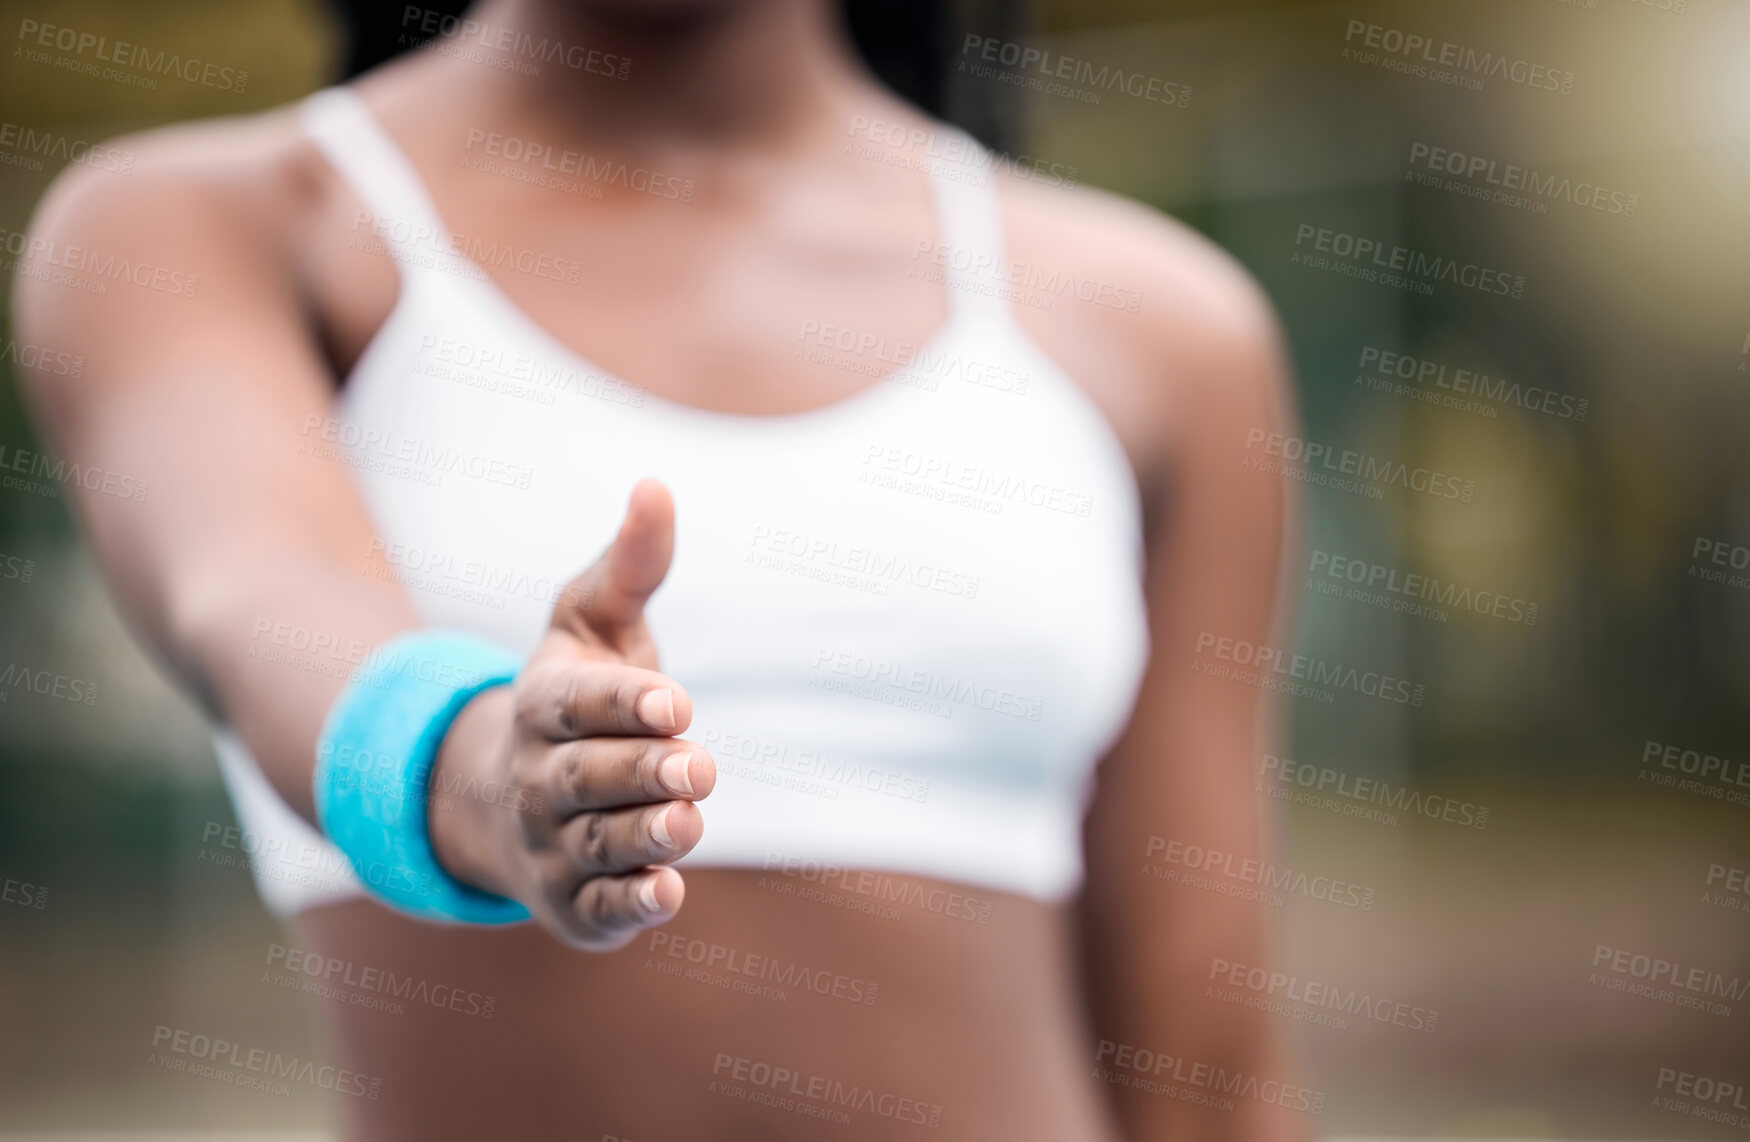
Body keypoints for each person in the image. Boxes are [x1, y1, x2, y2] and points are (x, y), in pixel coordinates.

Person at [14, 0, 1304, 1137]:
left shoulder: (1165, 328)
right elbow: (254, 598)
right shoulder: (201, 230)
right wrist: (485, 771)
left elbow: (1205, 1076)